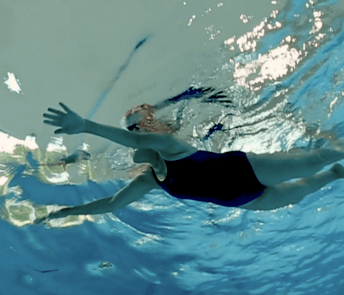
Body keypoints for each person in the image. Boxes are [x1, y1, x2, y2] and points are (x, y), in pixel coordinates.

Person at [35, 102, 344, 223]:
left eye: (139, 127)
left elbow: (138, 142)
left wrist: (86, 125)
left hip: (244, 170)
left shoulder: (168, 144)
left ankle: (338, 151)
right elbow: (112, 203)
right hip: (246, 199)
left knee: (311, 162)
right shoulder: (148, 181)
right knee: (309, 185)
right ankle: (338, 172)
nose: (137, 137)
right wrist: (65, 211)